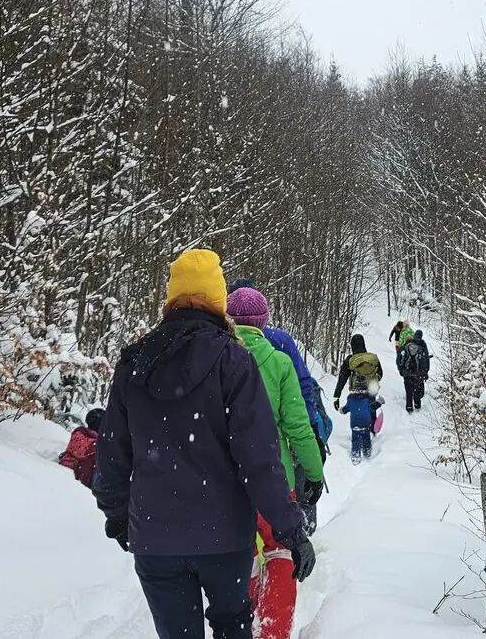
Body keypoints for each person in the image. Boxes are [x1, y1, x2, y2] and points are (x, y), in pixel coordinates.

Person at [93, 249, 315, 639]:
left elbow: (112, 457)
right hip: (224, 538)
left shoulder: (134, 363)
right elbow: (259, 461)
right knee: (232, 626)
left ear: (171, 297)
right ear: (218, 299)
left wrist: (120, 518)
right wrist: (290, 529)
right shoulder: (234, 361)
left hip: (156, 539)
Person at [227, 287, 324, 639]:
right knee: (281, 548)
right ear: (264, 322)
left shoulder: (217, 361)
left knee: (243, 550)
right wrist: (314, 472)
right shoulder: (280, 364)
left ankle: (242, 622)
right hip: (275, 480)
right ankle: (273, 631)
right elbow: (298, 427)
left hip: (227, 483)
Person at [227, 278, 332, 534]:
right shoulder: (281, 343)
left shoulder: (215, 349)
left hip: (228, 468)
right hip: (276, 456)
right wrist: (309, 430)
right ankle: (301, 535)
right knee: (286, 519)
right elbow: (304, 386)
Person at [332, 334, 383, 410]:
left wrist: (336, 396)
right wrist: (372, 380)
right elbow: (380, 373)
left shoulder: (350, 360)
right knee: (370, 412)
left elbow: (342, 379)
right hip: (371, 392)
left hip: (356, 393)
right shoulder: (372, 358)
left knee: (357, 415)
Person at [341, 376, 383, 464]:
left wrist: (342, 410)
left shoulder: (351, 398)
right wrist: (379, 402)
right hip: (366, 423)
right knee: (366, 438)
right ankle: (367, 453)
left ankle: (355, 455)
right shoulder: (368, 398)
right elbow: (372, 407)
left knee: (355, 440)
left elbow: (346, 409)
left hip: (354, 423)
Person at [58, 407, 102, 487]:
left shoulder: (101, 439)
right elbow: (81, 449)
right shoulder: (81, 432)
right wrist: (102, 444)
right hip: (66, 477)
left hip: (87, 482)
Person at [398, 330, 431, 413]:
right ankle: (417, 406)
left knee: (408, 391)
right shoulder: (423, 345)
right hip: (418, 373)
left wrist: (401, 369)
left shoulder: (408, 344)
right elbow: (426, 359)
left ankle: (409, 407)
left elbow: (399, 356)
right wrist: (426, 372)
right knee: (417, 390)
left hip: (407, 373)